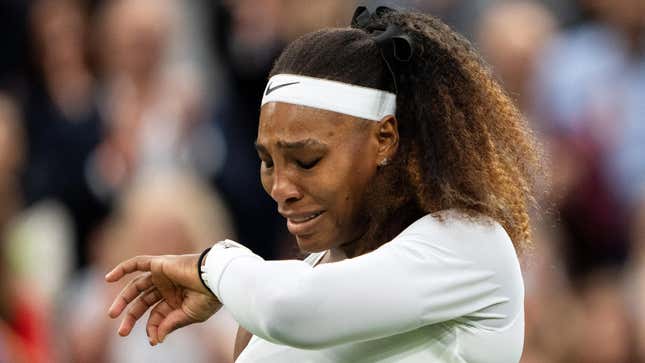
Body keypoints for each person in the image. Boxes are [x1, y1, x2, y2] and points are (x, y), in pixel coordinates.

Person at [106, 7, 540, 363]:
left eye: (307, 160)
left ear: (384, 139)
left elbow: (288, 308)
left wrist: (215, 266)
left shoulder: (471, 245)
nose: (280, 187)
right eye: (267, 162)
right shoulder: (277, 291)